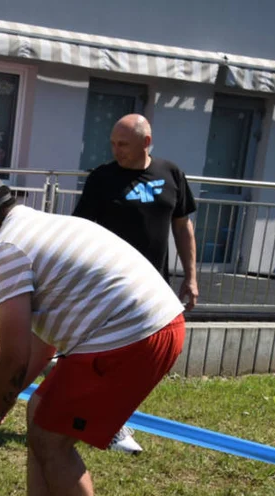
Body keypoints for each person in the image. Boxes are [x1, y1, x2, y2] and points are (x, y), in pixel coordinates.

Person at [0, 174, 185, 496]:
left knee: (51, 437)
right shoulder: (33, 227)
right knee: (41, 414)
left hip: (135, 334)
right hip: (148, 323)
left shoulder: (8, 250)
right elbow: (40, 346)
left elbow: (12, 357)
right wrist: (1, 406)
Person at [73, 113, 198, 455]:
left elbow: (182, 227)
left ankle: (109, 419)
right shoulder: (102, 178)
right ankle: (108, 424)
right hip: (108, 284)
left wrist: (191, 276)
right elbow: (79, 230)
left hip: (153, 287)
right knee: (107, 354)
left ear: (146, 142)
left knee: (138, 358)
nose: (117, 150)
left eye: (123, 144)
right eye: (113, 143)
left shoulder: (170, 173)